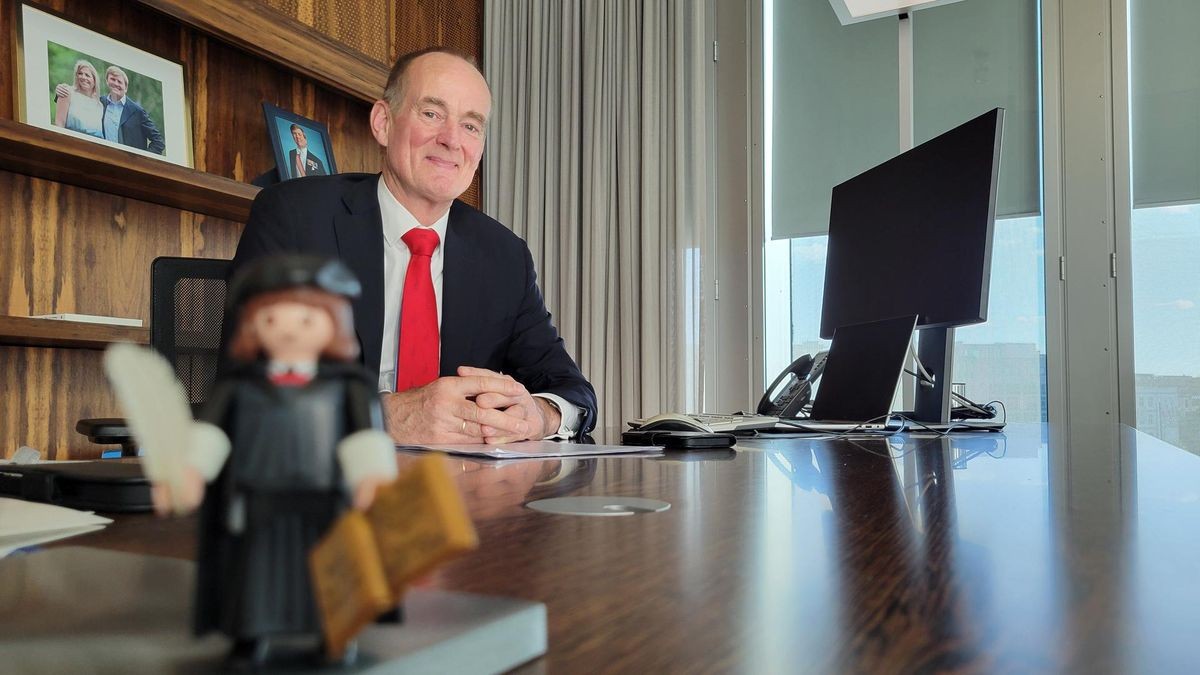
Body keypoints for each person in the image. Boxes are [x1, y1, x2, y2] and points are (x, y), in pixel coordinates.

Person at [231, 47, 597, 445]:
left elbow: (571, 389)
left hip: (464, 495)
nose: (452, 140)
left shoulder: (505, 256)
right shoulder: (295, 217)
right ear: (383, 123)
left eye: (471, 126)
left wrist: (540, 416)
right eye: (431, 113)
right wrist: (390, 416)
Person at [184, 255, 396, 668]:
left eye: (304, 320)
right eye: (271, 320)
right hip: (258, 494)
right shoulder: (237, 385)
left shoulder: (349, 386)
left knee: (331, 569)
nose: (286, 331)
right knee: (255, 570)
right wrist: (193, 471)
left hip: (326, 498)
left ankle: (332, 634)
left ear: (333, 322)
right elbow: (210, 433)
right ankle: (251, 634)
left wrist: (372, 477)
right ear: (253, 325)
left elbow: (365, 436)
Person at [99, 65, 165, 154]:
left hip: (128, 164)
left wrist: (142, 160)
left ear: (125, 88)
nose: (116, 83)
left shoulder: (137, 111)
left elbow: (158, 142)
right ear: (107, 81)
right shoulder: (100, 103)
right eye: (112, 79)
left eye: (119, 81)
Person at [52, 60, 104, 138]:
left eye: (87, 75)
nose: (83, 77)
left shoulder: (99, 105)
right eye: (80, 73)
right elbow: (59, 123)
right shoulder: (67, 92)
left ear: (94, 80)